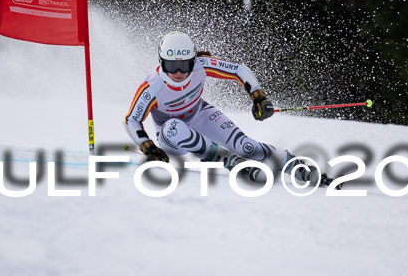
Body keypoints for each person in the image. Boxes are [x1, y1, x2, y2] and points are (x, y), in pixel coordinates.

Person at [124, 31, 332, 186]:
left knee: (246, 147)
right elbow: (132, 119)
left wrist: (258, 96)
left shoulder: (201, 65)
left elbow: (238, 70)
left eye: (185, 65)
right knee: (174, 125)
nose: (178, 72)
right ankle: (223, 158)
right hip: (171, 138)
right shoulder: (153, 86)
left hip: (200, 114)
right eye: (171, 66)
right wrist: (148, 147)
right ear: (162, 62)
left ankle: (294, 165)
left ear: (193, 60)